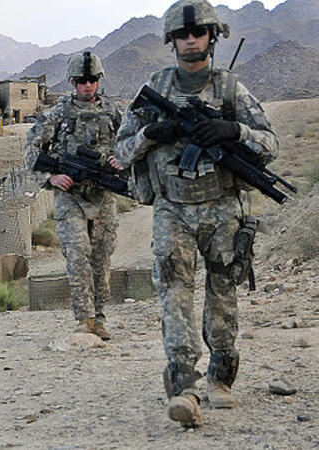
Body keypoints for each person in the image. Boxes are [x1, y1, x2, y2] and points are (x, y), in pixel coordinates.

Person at [115, 0, 278, 428]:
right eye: (183, 35)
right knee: (174, 294)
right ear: (172, 41)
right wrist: (152, 133)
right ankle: (184, 386)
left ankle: (220, 379)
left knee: (223, 294)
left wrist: (233, 129)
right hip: (172, 208)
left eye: (198, 33)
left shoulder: (230, 89)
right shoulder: (155, 88)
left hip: (223, 207)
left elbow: (270, 144)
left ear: (212, 37)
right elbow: (121, 150)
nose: (191, 40)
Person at [25, 51, 123, 340]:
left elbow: (131, 143)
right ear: (72, 82)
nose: (87, 86)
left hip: (103, 195)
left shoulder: (113, 112)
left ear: (99, 80)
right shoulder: (60, 113)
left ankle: (100, 318)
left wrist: (123, 159)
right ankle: (84, 319)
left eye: (92, 80)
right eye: (81, 81)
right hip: (70, 197)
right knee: (78, 255)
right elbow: (31, 148)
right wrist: (50, 177)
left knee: (101, 259)